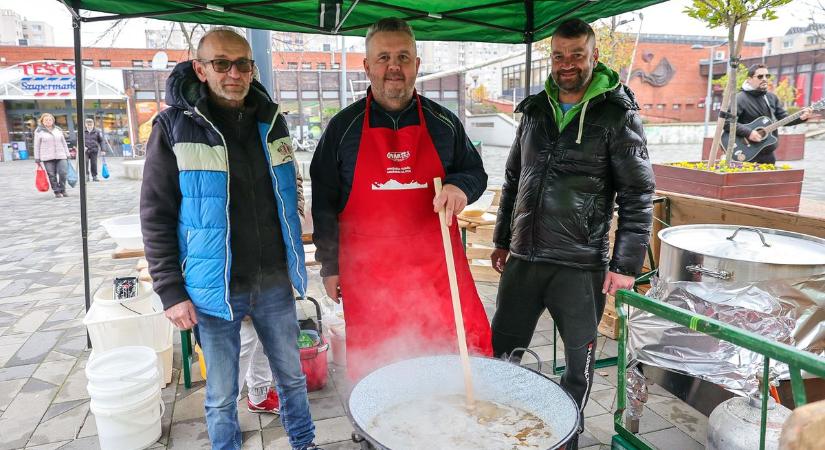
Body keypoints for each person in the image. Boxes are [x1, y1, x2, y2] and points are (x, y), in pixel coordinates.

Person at [140, 28, 320, 450]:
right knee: (221, 394)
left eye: (243, 64)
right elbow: (155, 213)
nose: (234, 73)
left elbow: (289, 185)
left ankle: (304, 442)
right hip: (213, 287)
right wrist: (170, 291)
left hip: (273, 279)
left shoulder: (271, 120)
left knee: (292, 378)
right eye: (222, 63)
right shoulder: (174, 126)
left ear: (252, 68)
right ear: (201, 69)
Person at [489, 18, 655, 450]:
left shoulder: (617, 115)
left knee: (578, 366)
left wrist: (625, 266)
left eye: (576, 55)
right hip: (524, 259)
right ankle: (500, 428)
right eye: (559, 56)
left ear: (594, 56)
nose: (566, 64)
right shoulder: (534, 111)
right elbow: (513, 180)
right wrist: (503, 239)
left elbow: (638, 194)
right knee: (502, 351)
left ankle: (566, 437)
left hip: (580, 266)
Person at [311, 18, 493, 382]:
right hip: (369, 276)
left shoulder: (444, 123)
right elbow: (324, 203)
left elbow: (475, 173)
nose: (394, 66)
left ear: (417, 64)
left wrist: (459, 186)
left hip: (436, 272)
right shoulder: (342, 128)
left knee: (449, 363)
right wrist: (329, 266)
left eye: (403, 57)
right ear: (367, 66)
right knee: (379, 370)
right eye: (384, 58)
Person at [727, 64, 812, 164]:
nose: (764, 79)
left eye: (767, 76)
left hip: (767, 153)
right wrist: (749, 133)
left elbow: (783, 119)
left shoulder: (771, 97)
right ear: (749, 79)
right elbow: (727, 122)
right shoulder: (739, 98)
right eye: (760, 76)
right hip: (746, 152)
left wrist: (802, 118)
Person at [33, 113, 71, 198]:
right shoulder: (38, 131)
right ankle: (56, 191)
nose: (48, 121)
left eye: (50, 119)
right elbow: (36, 145)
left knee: (63, 173)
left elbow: (64, 143)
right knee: (51, 175)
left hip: (61, 155)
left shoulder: (58, 129)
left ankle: (63, 189)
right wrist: (37, 158)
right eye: (46, 120)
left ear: (53, 120)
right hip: (47, 157)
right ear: (42, 121)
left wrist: (67, 154)